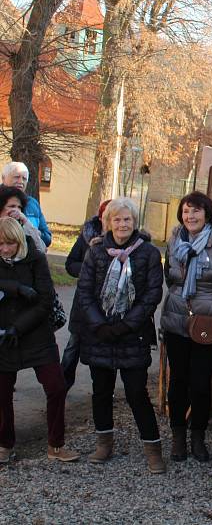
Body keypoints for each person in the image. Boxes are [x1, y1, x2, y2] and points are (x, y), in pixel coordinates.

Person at [76, 197, 166, 474]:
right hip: (99, 333)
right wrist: (100, 325)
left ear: (134, 221)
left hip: (132, 334)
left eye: (127, 219)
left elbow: (153, 293)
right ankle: (104, 443)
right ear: (108, 222)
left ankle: (153, 449)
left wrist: (126, 325)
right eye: (117, 219)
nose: (122, 224)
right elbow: (84, 291)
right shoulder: (96, 252)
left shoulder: (149, 253)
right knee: (101, 392)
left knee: (136, 393)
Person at [161, 191, 212, 462]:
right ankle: (178, 436)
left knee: (200, 383)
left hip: (210, 324)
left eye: (196, 211)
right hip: (177, 321)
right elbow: (170, 278)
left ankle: (198, 436)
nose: (190, 216)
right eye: (186, 211)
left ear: (207, 213)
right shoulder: (174, 241)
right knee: (178, 382)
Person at [0, 217, 79, 464]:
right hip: (5, 337)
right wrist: (16, 288)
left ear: (19, 242)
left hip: (35, 334)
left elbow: (45, 301)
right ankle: (4, 444)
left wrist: (18, 327)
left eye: (9, 244)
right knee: (2, 395)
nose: (4, 249)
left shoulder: (35, 258)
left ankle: (56, 444)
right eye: (0, 244)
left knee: (56, 387)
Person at [61, 199, 110, 392]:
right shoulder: (87, 237)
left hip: (108, 306)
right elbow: (70, 264)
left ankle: (104, 389)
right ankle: (62, 385)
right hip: (83, 302)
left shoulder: (126, 243)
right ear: (100, 218)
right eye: (107, 217)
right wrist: (89, 270)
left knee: (103, 349)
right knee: (73, 344)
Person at [1, 162, 51, 247]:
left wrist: (31, 230)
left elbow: (47, 238)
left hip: (29, 257)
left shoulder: (32, 204)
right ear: (3, 178)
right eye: (16, 177)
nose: (21, 182)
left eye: (24, 178)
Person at [0, 186, 46, 253]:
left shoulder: (23, 228)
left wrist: (25, 221)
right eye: (12, 206)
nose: (17, 210)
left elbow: (41, 250)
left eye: (19, 207)